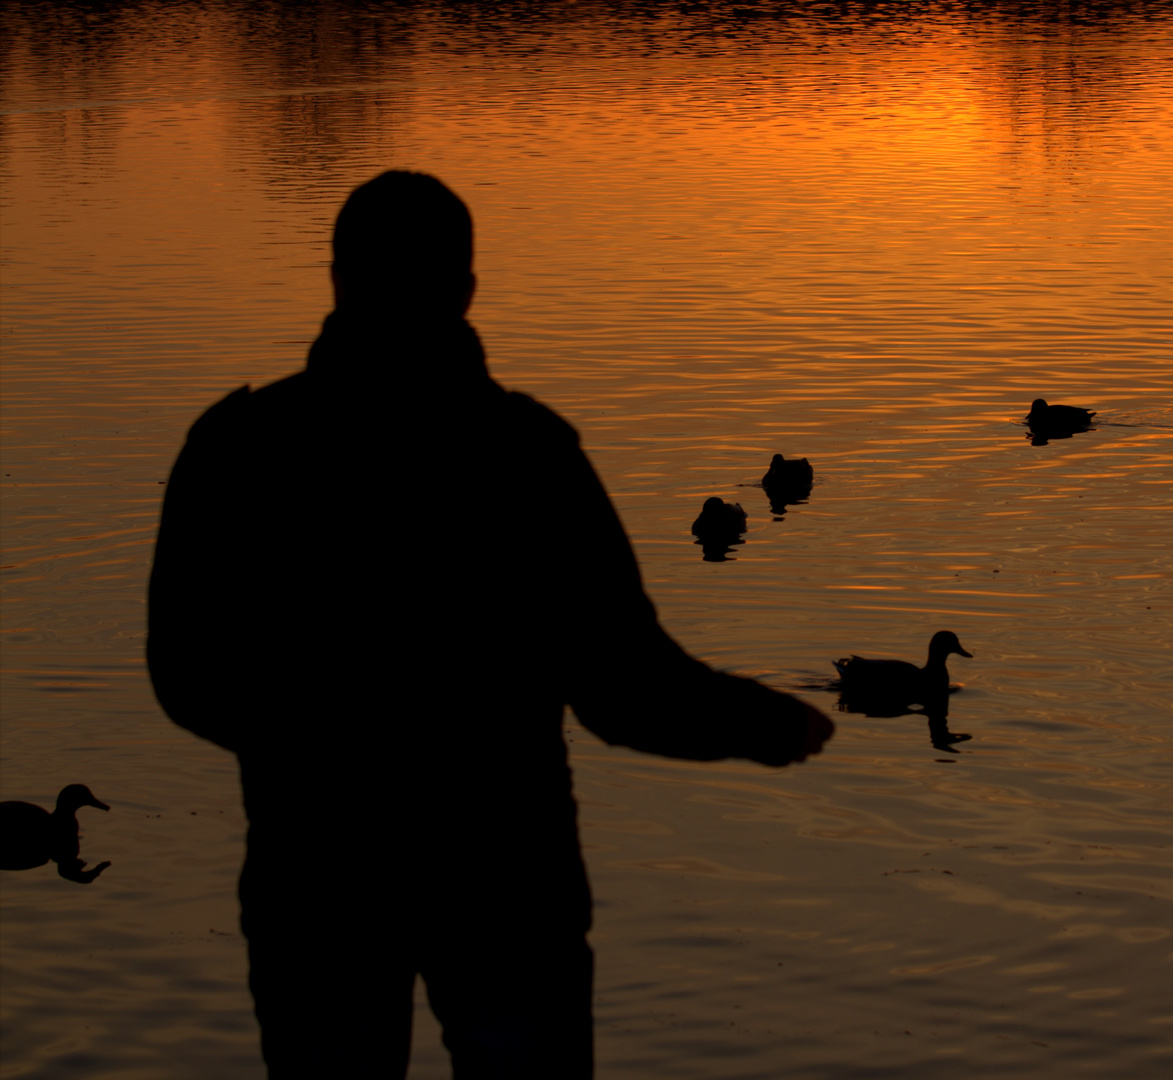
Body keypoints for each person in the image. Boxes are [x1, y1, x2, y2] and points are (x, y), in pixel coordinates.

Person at [147, 170, 834, 1079]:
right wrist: (764, 723)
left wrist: (311, 747)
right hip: (504, 882)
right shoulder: (526, 454)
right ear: (466, 291)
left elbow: (185, 673)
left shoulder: (239, 447)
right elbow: (620, 686)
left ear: (337, 279)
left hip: (319, 880)